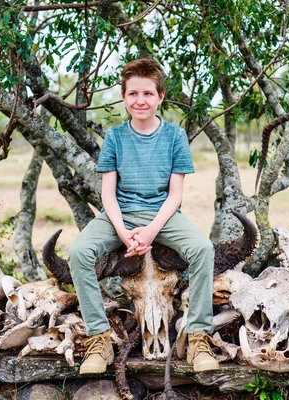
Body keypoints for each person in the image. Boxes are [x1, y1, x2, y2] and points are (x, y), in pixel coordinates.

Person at [68, 58, 219, 374]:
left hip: (162, 217)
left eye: (148, 94)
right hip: (118, 216)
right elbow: (107, 194)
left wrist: (150, 231)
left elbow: (175, 194)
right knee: (79, 252)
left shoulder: (175, 136)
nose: (140, 100)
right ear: (124, 97)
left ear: (160, 96)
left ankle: (198, 338)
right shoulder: (115, 137)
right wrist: (124, 234)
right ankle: (99, 340)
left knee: (203, 249)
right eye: (133, 94)